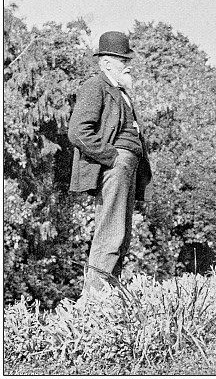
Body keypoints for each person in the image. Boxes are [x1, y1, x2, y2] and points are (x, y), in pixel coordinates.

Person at [68, 30, 152, 294]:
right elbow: (78, 131)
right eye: (122, 60)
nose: (128, 64)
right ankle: (95, 297)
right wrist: (113, 157)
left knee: (122, 234)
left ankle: (108, 295)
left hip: (127, 168)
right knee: (111, 232)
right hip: (115, 167)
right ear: (106, 63)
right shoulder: (96, 86)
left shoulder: (120, 90)